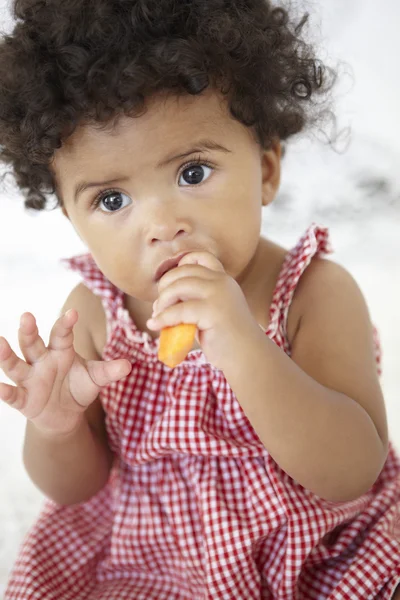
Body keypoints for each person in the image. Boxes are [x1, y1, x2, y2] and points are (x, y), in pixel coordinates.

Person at [0, 0, 399, 598]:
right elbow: (77, 490)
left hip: (312, 553)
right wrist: (58, 430)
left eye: (192, 173)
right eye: (112, 201)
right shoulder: (91, 313)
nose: (162, 224)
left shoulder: (312, 292)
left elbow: (349, 473)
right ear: (73, 220)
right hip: (154, 560)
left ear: (265, 171)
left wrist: (243, 347)